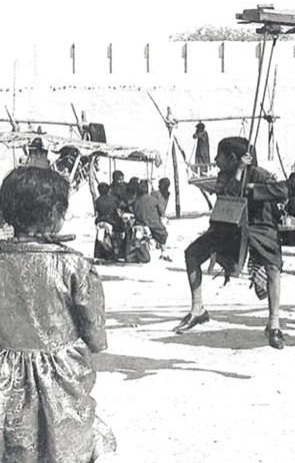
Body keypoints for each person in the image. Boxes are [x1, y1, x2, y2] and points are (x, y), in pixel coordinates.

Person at [0, 166, 116, 461]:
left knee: (15, 443)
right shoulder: (73, 265)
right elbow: (94, 329)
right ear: (54, 213)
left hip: (5, 373)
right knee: (66, 441)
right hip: (60, 375)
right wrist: (93, 342)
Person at [174, 137, 291, 350]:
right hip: (230, 228)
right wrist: (238, 172)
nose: (215, 159)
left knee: (273, 268)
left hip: (260, 227)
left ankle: (274, 324)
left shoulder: (260, 174)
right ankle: (198, 309)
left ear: (232, 157)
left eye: (219, 155)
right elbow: (229, 193)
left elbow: (283, 190)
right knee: (192, 253)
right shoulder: (223, 176)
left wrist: (255, 190)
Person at [132, 180, 170, 262]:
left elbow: (133, 211)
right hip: (153, 223)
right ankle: (164, 252)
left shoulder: (136, 201)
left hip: (139, 223)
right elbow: (161, 212)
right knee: (163, 234)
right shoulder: (153, 200)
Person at [94, 181, 124, 261]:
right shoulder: (113, 199)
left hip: (100, 221)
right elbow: (118, 209)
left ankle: (98, 254)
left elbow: (97, 211)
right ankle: (117, 251)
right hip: (111, 221)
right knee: (120, 230)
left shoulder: (97, 201)